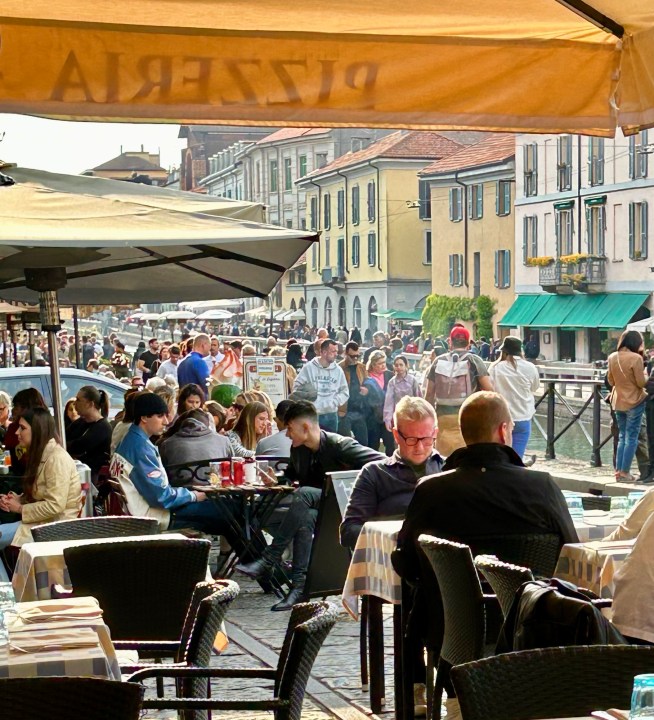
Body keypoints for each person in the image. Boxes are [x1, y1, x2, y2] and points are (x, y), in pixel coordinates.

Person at [395, 392, 577, 708]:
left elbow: (407, 563)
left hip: (454, 631)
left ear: (465, 434)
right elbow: (571, 551)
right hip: (531, 625)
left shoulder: (432, 491)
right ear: (504, 430)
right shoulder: (542, 486)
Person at [237, 400, 383, 611]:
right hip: (321, 512)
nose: (287, 435)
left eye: (289, 429)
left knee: (304, 494)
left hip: (346, 511)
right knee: (304, 517)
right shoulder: (300, 450)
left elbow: (381, 462)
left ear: (305, 427)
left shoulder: (340, 445)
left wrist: (352, 486)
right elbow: (292, 475)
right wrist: (277, 480)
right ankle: (299, 588)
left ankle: (269, 559)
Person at [111, 392, 248, 545]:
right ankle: (263, 562)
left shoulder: (130, 442)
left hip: (145, 512)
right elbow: (162, 497)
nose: (166, 421)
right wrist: (194, 495)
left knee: (228, 518)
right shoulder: (140, 448)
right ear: (144, 418)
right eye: (160, 416)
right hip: (158, 515)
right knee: (235, 510)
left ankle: (256, 563)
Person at [340, 396, 442, 549]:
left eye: (427, 439)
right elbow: (349, 532)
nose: (419, 447)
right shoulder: (374, 473)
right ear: (396, 435)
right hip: (389, 559)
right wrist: (397, 535)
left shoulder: (449, 469)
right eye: (411, 439)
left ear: (435, 433)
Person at [0, 407, 81, 547]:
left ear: (37, 430)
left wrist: (20, 508)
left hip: (54, 527)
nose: (17, 432)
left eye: (22, 428)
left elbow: (55, 505)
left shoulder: (57, 458)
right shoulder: (43, 454)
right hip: (42, 523)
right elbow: (42, 494)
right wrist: (18, 498)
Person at [425, 325, 493, 457]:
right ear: (468, 343)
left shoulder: (438, 361)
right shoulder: (474, 360)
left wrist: (430, 420)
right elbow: (490, 391)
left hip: (443, 418)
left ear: (450, 342)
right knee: (468, 459)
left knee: (444, 460)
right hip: (469, 417)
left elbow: (428, 395)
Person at [488, 336, 540, 460]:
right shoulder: (530, 367)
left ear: (504, 351)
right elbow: (534, 388)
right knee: (516, 457)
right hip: (523, 416)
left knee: (500, 456)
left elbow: (490, 389)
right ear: (520, 351)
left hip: (501, 417)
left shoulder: (495, 368)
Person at [608, 330, 648, 482]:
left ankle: (619, 472)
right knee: (632, 437)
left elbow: (611, 381)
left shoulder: (612, 357)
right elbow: (641, 383)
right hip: (634, 401)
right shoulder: (636, 358)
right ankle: (625, 472)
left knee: (622, 436)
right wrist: (645, 374)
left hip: (618, 401)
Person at [159, 409, 233, 483]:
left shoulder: (167, 444)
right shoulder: (223, 441)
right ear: (208, 425)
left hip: (182, 492)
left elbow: (162, 476)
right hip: (215, 492)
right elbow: (233, 469)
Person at [292, 338, 349, 433]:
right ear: (323, 352)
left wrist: (335, 402)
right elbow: (297, 387)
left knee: (330, 445)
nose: (336, 354)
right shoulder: (309, 367)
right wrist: (308, 399)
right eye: (333, 351)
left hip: (331, 414)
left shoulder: (338, 370)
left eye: (337, 351)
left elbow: (345, 392)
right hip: (313, 414)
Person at [66, 385, 112, 483]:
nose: (75, 403)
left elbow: (78, 446)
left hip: (89, 478)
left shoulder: (103, 427)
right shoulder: (80, 422)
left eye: (78, 400)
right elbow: (64, 437)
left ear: (90, 404)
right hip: (72, 471)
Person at [4, 388, 48, 472]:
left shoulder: (44, 430)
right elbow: (8, 455)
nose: (13, 410)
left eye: (16, 406)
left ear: (27, 408)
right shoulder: (13, 427)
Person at [363, 350, 395, 455]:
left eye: (384, 363)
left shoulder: (390, 375)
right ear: (372, 364)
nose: (383, 366)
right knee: (373, 445)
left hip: (387, 416)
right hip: (372, 417)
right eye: (379, 363)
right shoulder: (366, 376)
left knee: (390, 444)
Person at [338, 341, 368, 446]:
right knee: (346, 445)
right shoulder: (339, 368)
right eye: (352, 356)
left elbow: (367, 382)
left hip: (359, 410)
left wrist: (366, 390)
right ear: (346, 354)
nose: (355, 359)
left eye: (357, 356)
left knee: (364, 444)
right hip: (344, 411)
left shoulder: (362, 367)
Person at [383, 355, 422, 432]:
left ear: (406, 366)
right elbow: (389, 401)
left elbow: (419, 398)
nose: (399, 367)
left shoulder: (412, 380)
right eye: (396, 365)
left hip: (412, 414)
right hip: (399, 414)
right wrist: (387, 419)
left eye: (401, 365)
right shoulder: (392, 382)